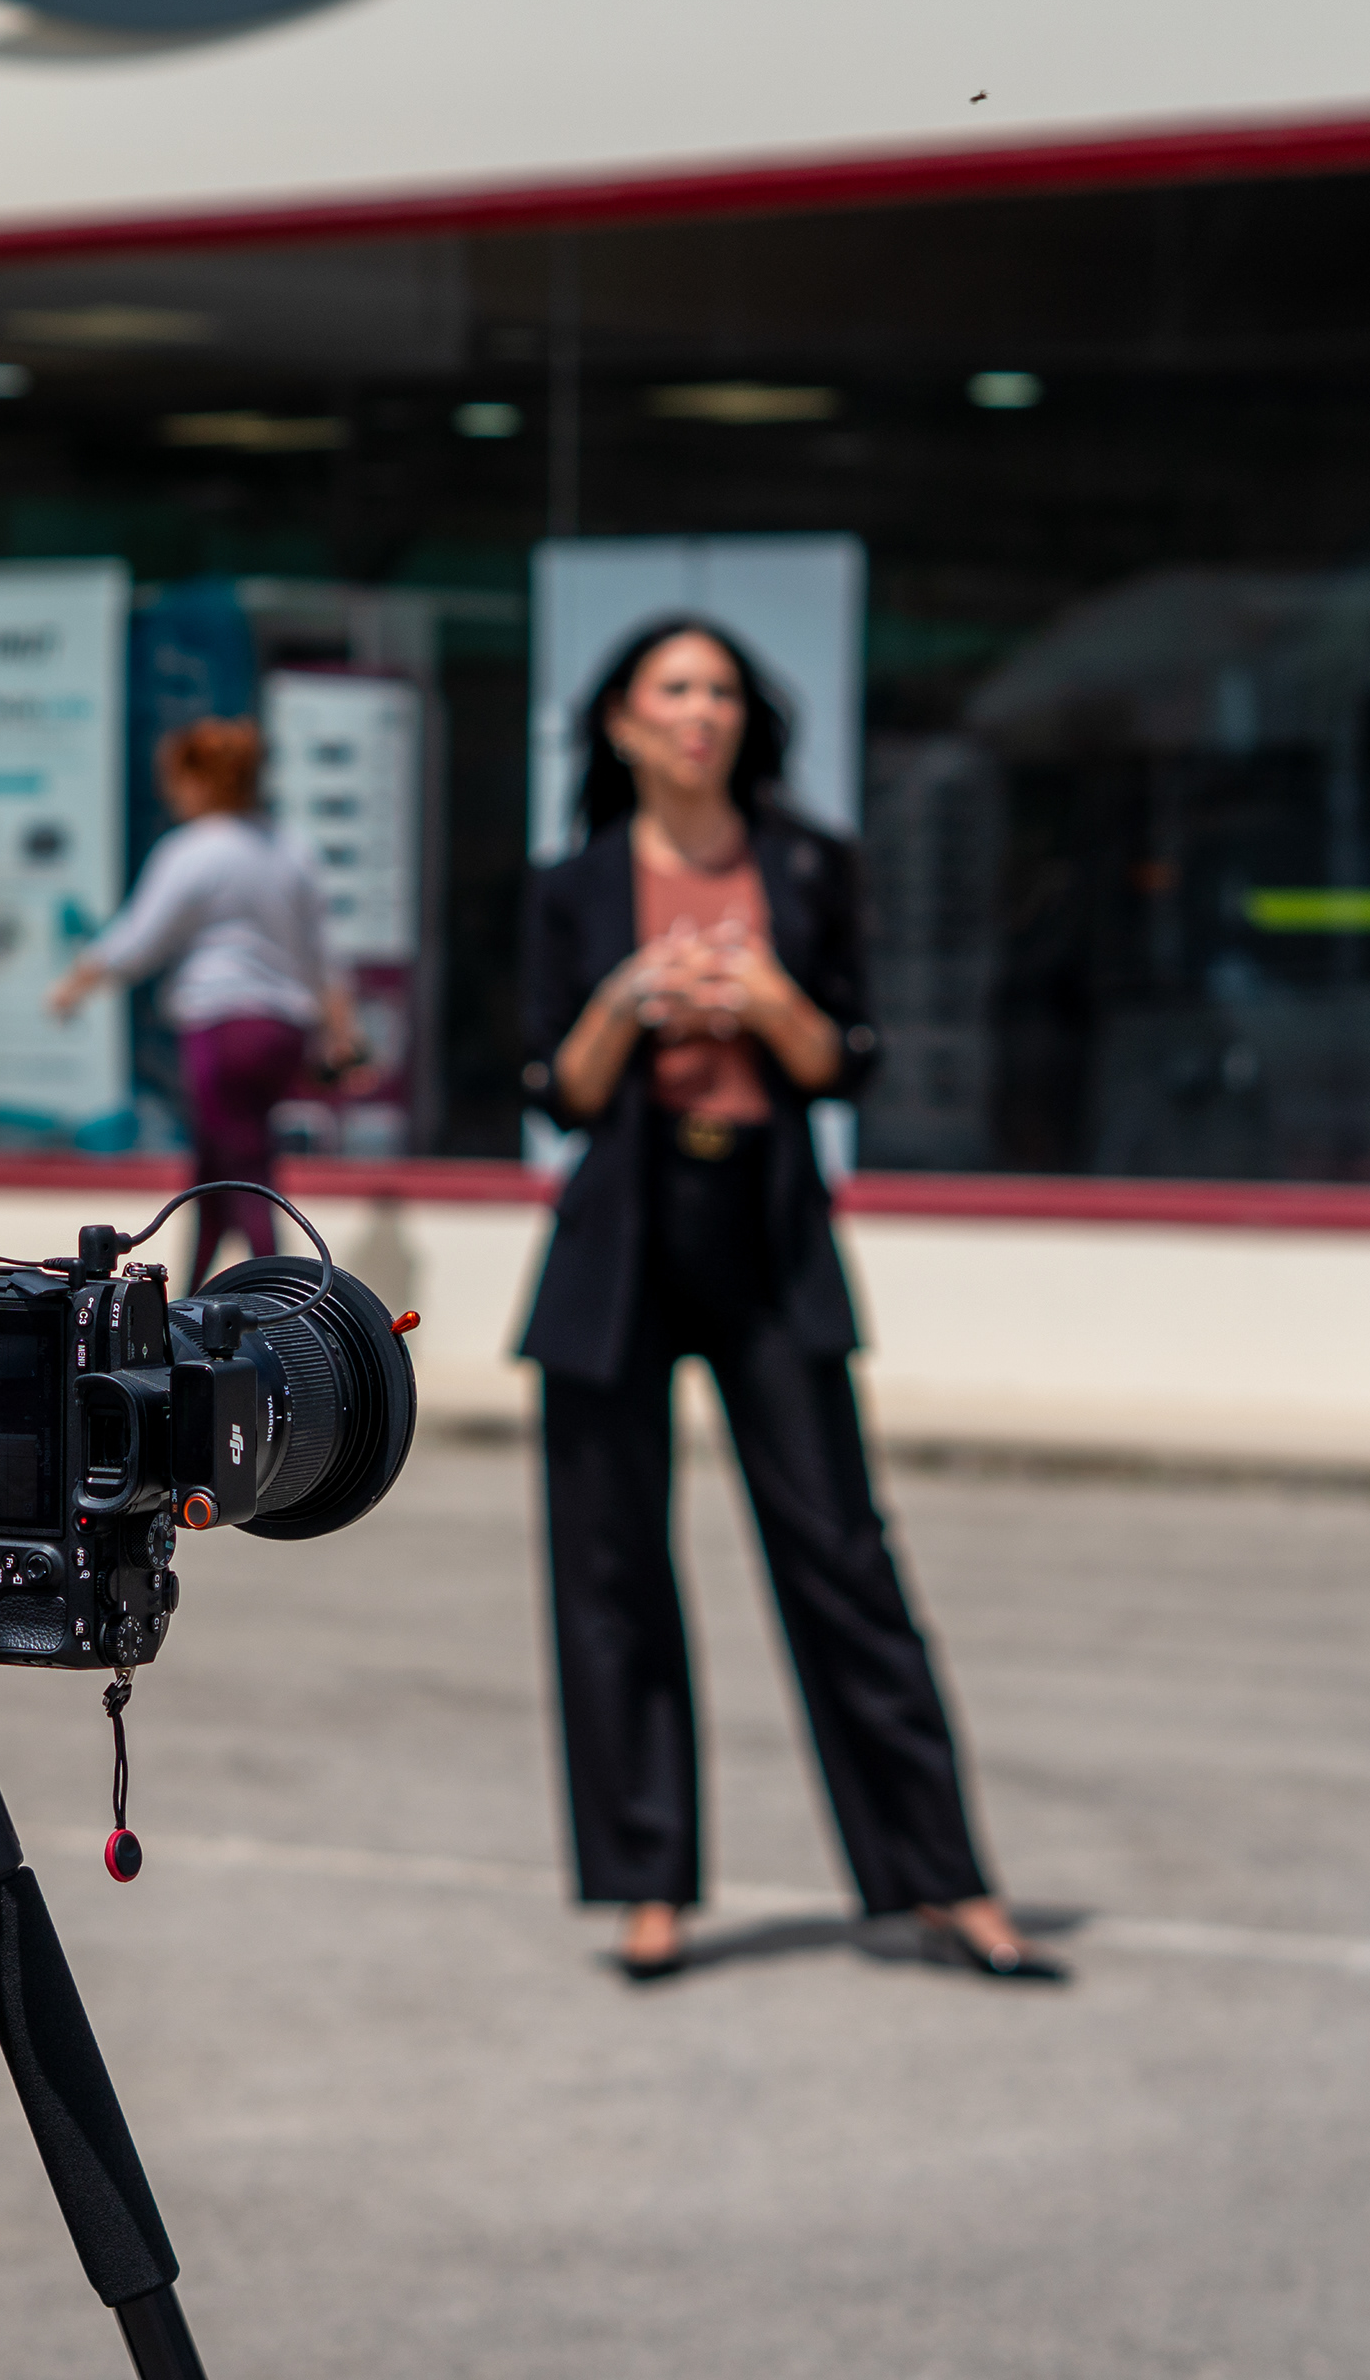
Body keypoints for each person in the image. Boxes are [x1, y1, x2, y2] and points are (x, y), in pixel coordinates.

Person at [518, 617, 1065, 1987]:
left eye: (720, 690)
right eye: (673, 689)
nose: (700, 711)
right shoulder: (574, 884)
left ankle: (945, 1881)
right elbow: (556, 1091)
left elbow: (843, 1063)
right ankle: (647, 1884)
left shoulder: (811, 863)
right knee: (611, 1570)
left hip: (766, 1228)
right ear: (622, 722)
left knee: (845, 1558)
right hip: (621, 1236)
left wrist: (767, 1000)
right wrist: (626, 1003)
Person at [49, 715, 364, 1285]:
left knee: (245, 1170)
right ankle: (189, 1297)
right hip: (282, 1031)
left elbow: (138, 941)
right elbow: (321, 955)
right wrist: (342, 1032)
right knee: (215, 1169)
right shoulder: (291, 849)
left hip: (221, 1028)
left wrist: (75, 984)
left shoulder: (193, 851)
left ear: (200, 780)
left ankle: (282, 1298)